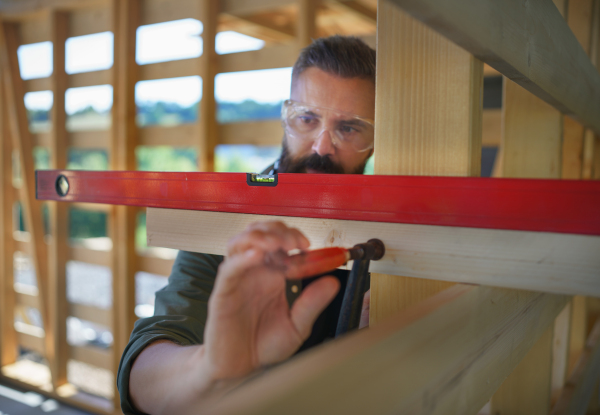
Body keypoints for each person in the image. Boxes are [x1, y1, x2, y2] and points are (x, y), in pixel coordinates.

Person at [117, 35, 376, 415]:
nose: (322, 146)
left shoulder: (395, 231)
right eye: (307, 119)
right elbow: (144, 374)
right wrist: (210, 369)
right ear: (286, 118)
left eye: (349, 128)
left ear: (373, 139)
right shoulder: (229, 221)